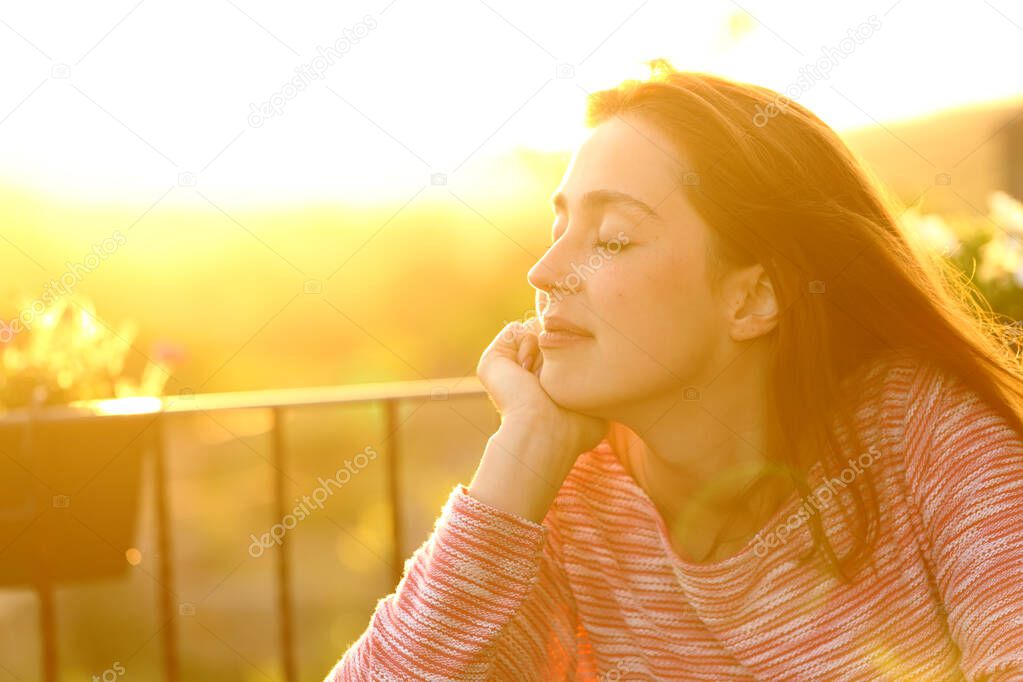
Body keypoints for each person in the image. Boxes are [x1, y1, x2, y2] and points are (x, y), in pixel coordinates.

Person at [325, 58, 1023, 680]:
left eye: (613, 238)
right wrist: (521, 453)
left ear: (752, 297)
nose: (543, 271)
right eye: (558, 227)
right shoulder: (561, 506)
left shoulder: (923, 432)